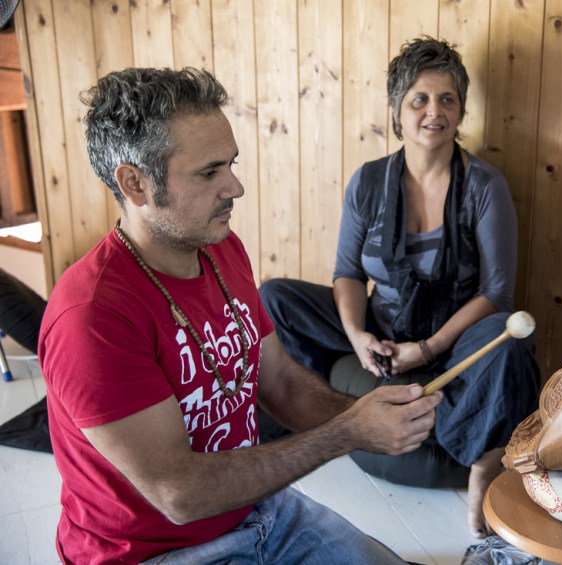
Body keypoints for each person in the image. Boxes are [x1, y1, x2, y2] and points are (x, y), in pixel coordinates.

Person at [38, 67, 443, 565]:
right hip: (151, 553)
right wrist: (347, 433)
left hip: (254, 509)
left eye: (230, 164)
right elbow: (180, 495)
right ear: (135, 184)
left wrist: (368, 414)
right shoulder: (91, 316)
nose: (235, 187)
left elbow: (280, 382)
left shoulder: (221, 248)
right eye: (209, 173)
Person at [259, 37, 540, 538]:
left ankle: (483, 461)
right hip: (384, 322)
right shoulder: (368, 182)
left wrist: (427, 349)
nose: (435, 111)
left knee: (510, 340)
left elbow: (497, 294)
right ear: (397, 109)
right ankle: (312, 419)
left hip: (456, 337)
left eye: (447, 99)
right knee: (276, 298)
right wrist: (358, 337)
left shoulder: (484, 185)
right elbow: (347, 273)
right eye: (420, 99)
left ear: (461, 110)